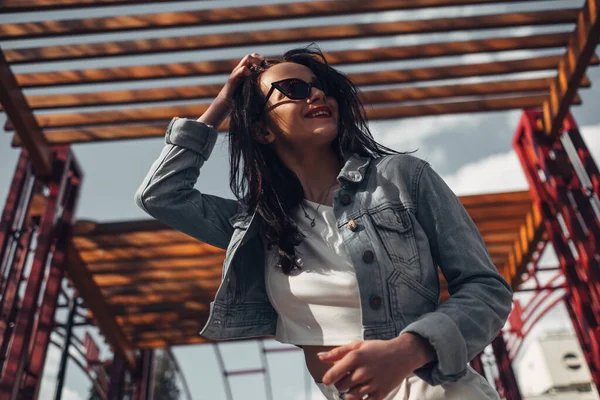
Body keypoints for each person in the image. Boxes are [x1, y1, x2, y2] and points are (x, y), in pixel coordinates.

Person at [135, 46, 512, 400]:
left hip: (431, 390)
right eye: (294, 89)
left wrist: (408, 351)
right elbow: (160, 194)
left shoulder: (401, 178)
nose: (318, 96)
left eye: (323, 88)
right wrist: (224, 103)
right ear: (263, 130)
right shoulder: (259, 225)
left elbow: (486, 289)